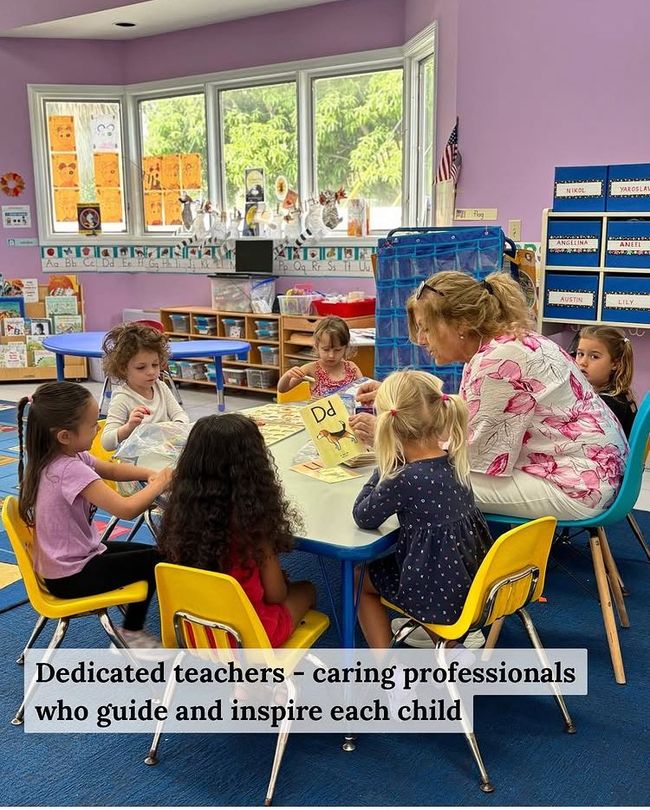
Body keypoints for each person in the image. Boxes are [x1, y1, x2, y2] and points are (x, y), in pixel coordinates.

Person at [350, 270, 628, 522]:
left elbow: (469, 456)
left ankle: (428, 566)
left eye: (427, 328)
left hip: (579, 486)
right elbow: (471, 414)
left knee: (422, 483)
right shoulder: (509, 343)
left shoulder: (496, 362)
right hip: (598, 471)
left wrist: (393, 431)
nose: (422, 340)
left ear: (459, 324)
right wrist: (400, 399)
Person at [17, 382, 173, 648]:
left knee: (154, 554)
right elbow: (126, 510)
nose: (98, 428)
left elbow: (110, 470)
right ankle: (132, 632)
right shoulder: (69, 469)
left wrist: (147, 474)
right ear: (64, 435)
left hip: (68, 561)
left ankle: (131, 627)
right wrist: (159, 484)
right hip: (71, 576)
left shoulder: (59, 456)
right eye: (92, 425)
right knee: (157, 561)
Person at [352, 370, 492, 648]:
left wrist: (386, 464)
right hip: (477, 581)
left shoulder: (402, 478)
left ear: (387, 427)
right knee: (431, 567)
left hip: (435, 594)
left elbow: (363, 516)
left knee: (359, 577)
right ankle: (451, 645)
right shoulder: (454, 460)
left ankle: (386, 672)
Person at [156, 413, 316, 647]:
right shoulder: (253, 524)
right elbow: (276, 595)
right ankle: (255, 681)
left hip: (192, 629)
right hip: (248, 636)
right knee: (308, 589)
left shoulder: (180, 514)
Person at [101, 323, 189, 451]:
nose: (151, 372)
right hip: (136, 463)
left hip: (163, 452)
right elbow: (106, 443)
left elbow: (180, 415)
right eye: (141, 367)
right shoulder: (122, 398)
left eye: (155, 364)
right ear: (123, 368)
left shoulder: (161, 387)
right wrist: (129, 427)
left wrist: (176, 427)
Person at [277, 315, 362, 398]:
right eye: (326, 349)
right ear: (317, 346)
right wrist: (288, 375)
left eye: (337, 350)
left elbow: (364, 392)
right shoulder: (310, 369)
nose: (331, 355)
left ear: (346, 347)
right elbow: (282, 389)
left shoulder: (352, 368)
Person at [576, 325, 637, 437]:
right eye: (580, 354)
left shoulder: (609, 404)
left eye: (594, 356)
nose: (583, 362)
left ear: (615, 364)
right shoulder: (619, 395)